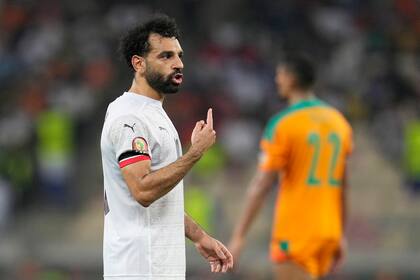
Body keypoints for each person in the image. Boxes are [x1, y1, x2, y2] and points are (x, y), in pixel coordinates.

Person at [100, 15, 233, 280]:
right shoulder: (130, 118)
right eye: (166, 56)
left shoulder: (153, 113)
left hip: (157, 267)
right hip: (139, 267)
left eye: (179, 55)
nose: (179, 64)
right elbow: (143, 190)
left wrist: (199, 236)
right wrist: (195, 153)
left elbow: (161, 198)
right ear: (138, 63)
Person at [229, 54, 353, 280]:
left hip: (296, 232)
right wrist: (341, 234)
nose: (277, 79)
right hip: (329, 230)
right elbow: (344, 186)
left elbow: (262, 185)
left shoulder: (284, 123)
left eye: (280, 74)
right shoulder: (339, 122)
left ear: (291, 79)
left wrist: (239, 236)